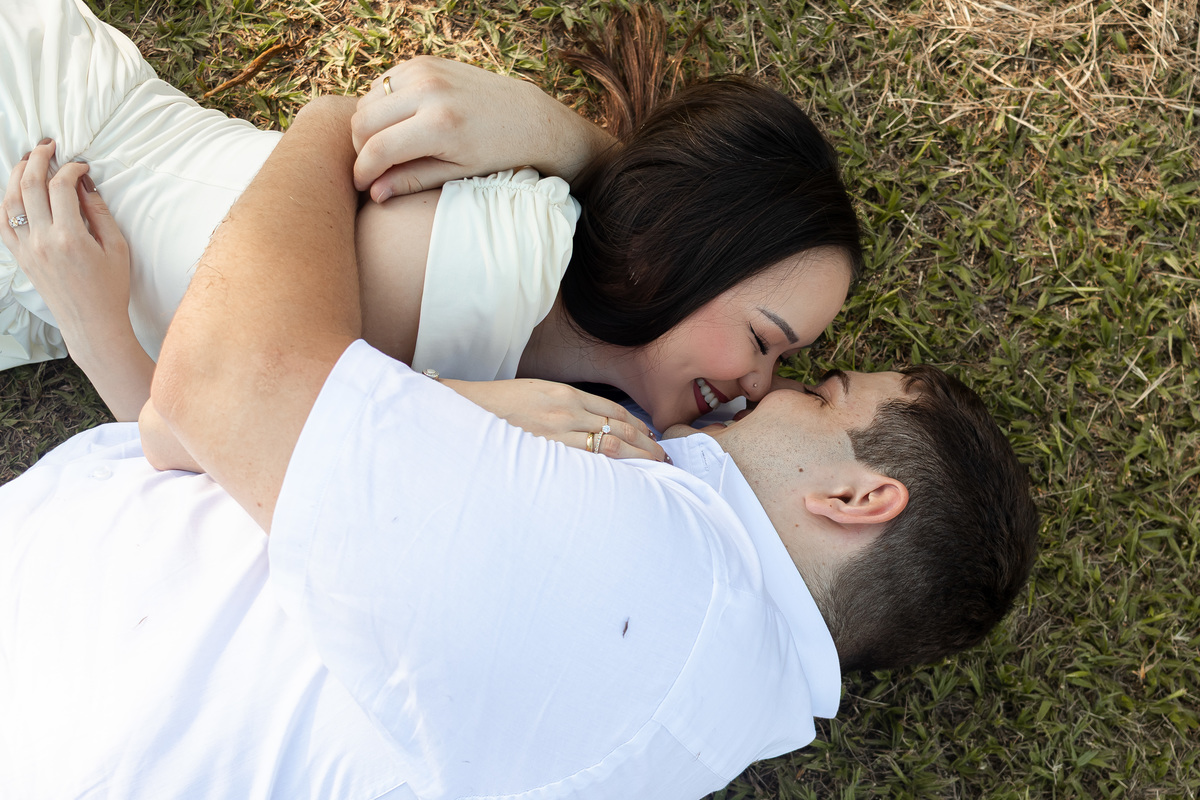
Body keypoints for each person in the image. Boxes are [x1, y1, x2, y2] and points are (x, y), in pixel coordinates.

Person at [0, 93, 1039, 798]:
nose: (767, 394)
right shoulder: (695, 659)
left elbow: (227, 383)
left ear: (859, 499)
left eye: (819, 387)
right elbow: (241, 496)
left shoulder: (638, 570)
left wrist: (325, 124)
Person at [0, 0, 858, 449]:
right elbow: (206, 428)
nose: (758, 387)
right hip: (44, 158)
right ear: (685, 254)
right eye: (764, 338)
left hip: (50, 264)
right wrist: (92, 325)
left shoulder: (564, 396)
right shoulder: (503, 259)